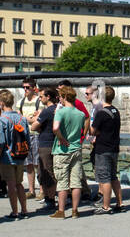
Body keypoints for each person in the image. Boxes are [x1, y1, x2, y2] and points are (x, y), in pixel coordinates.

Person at [0, 89, 31, 219]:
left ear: (2, 103)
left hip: (7, 156)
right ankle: (24, 210)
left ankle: (14, 212)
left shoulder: (1, 120)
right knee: (19, 183)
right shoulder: (22, 118)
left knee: (10, 184)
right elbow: (27, 138)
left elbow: (0, 142)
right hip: (20, 154)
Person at [50, 86, 87, 218]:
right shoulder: (81, 114)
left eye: (60, 96)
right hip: (76, 148)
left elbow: (55, 128)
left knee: (62, 181)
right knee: (76, 181)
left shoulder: (61, 112)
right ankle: (75, 210)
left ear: (64, 97)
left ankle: (61, 210)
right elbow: (82, 129)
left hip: (62, 150)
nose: (59, 99)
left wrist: (61, 138)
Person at [90, 86, 123, 214]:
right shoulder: (116, 111)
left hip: (103, 148)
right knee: (113, 176)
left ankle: (106, 206)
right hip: (114, 147)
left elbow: (93, 131)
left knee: (104, 178)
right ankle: (120, 203)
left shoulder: (102, 113)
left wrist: (90, 126)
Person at [19, 79, 45, 204]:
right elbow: (20, 118)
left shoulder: (39, 101)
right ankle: (31, 189)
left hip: (36, 134)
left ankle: (41, 189)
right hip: (25, 134)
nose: (25, 90)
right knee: (28, 163)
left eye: (27, 87)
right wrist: (29, 118)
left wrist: (27, 119)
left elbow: (39, 118)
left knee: (38, 163)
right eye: (24, 87)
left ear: (34, 88)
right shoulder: (21, 102)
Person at [32, 87, 59, 209]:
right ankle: (50, 196)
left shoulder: (47, 111)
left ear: (48, 97)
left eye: (41, 96)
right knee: (48, 171)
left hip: (46, 144)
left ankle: (50, 198)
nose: (40, 98)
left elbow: (34, 127)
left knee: (47, 172)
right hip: (54, 143)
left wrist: (32, 118)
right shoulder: (58, 109)